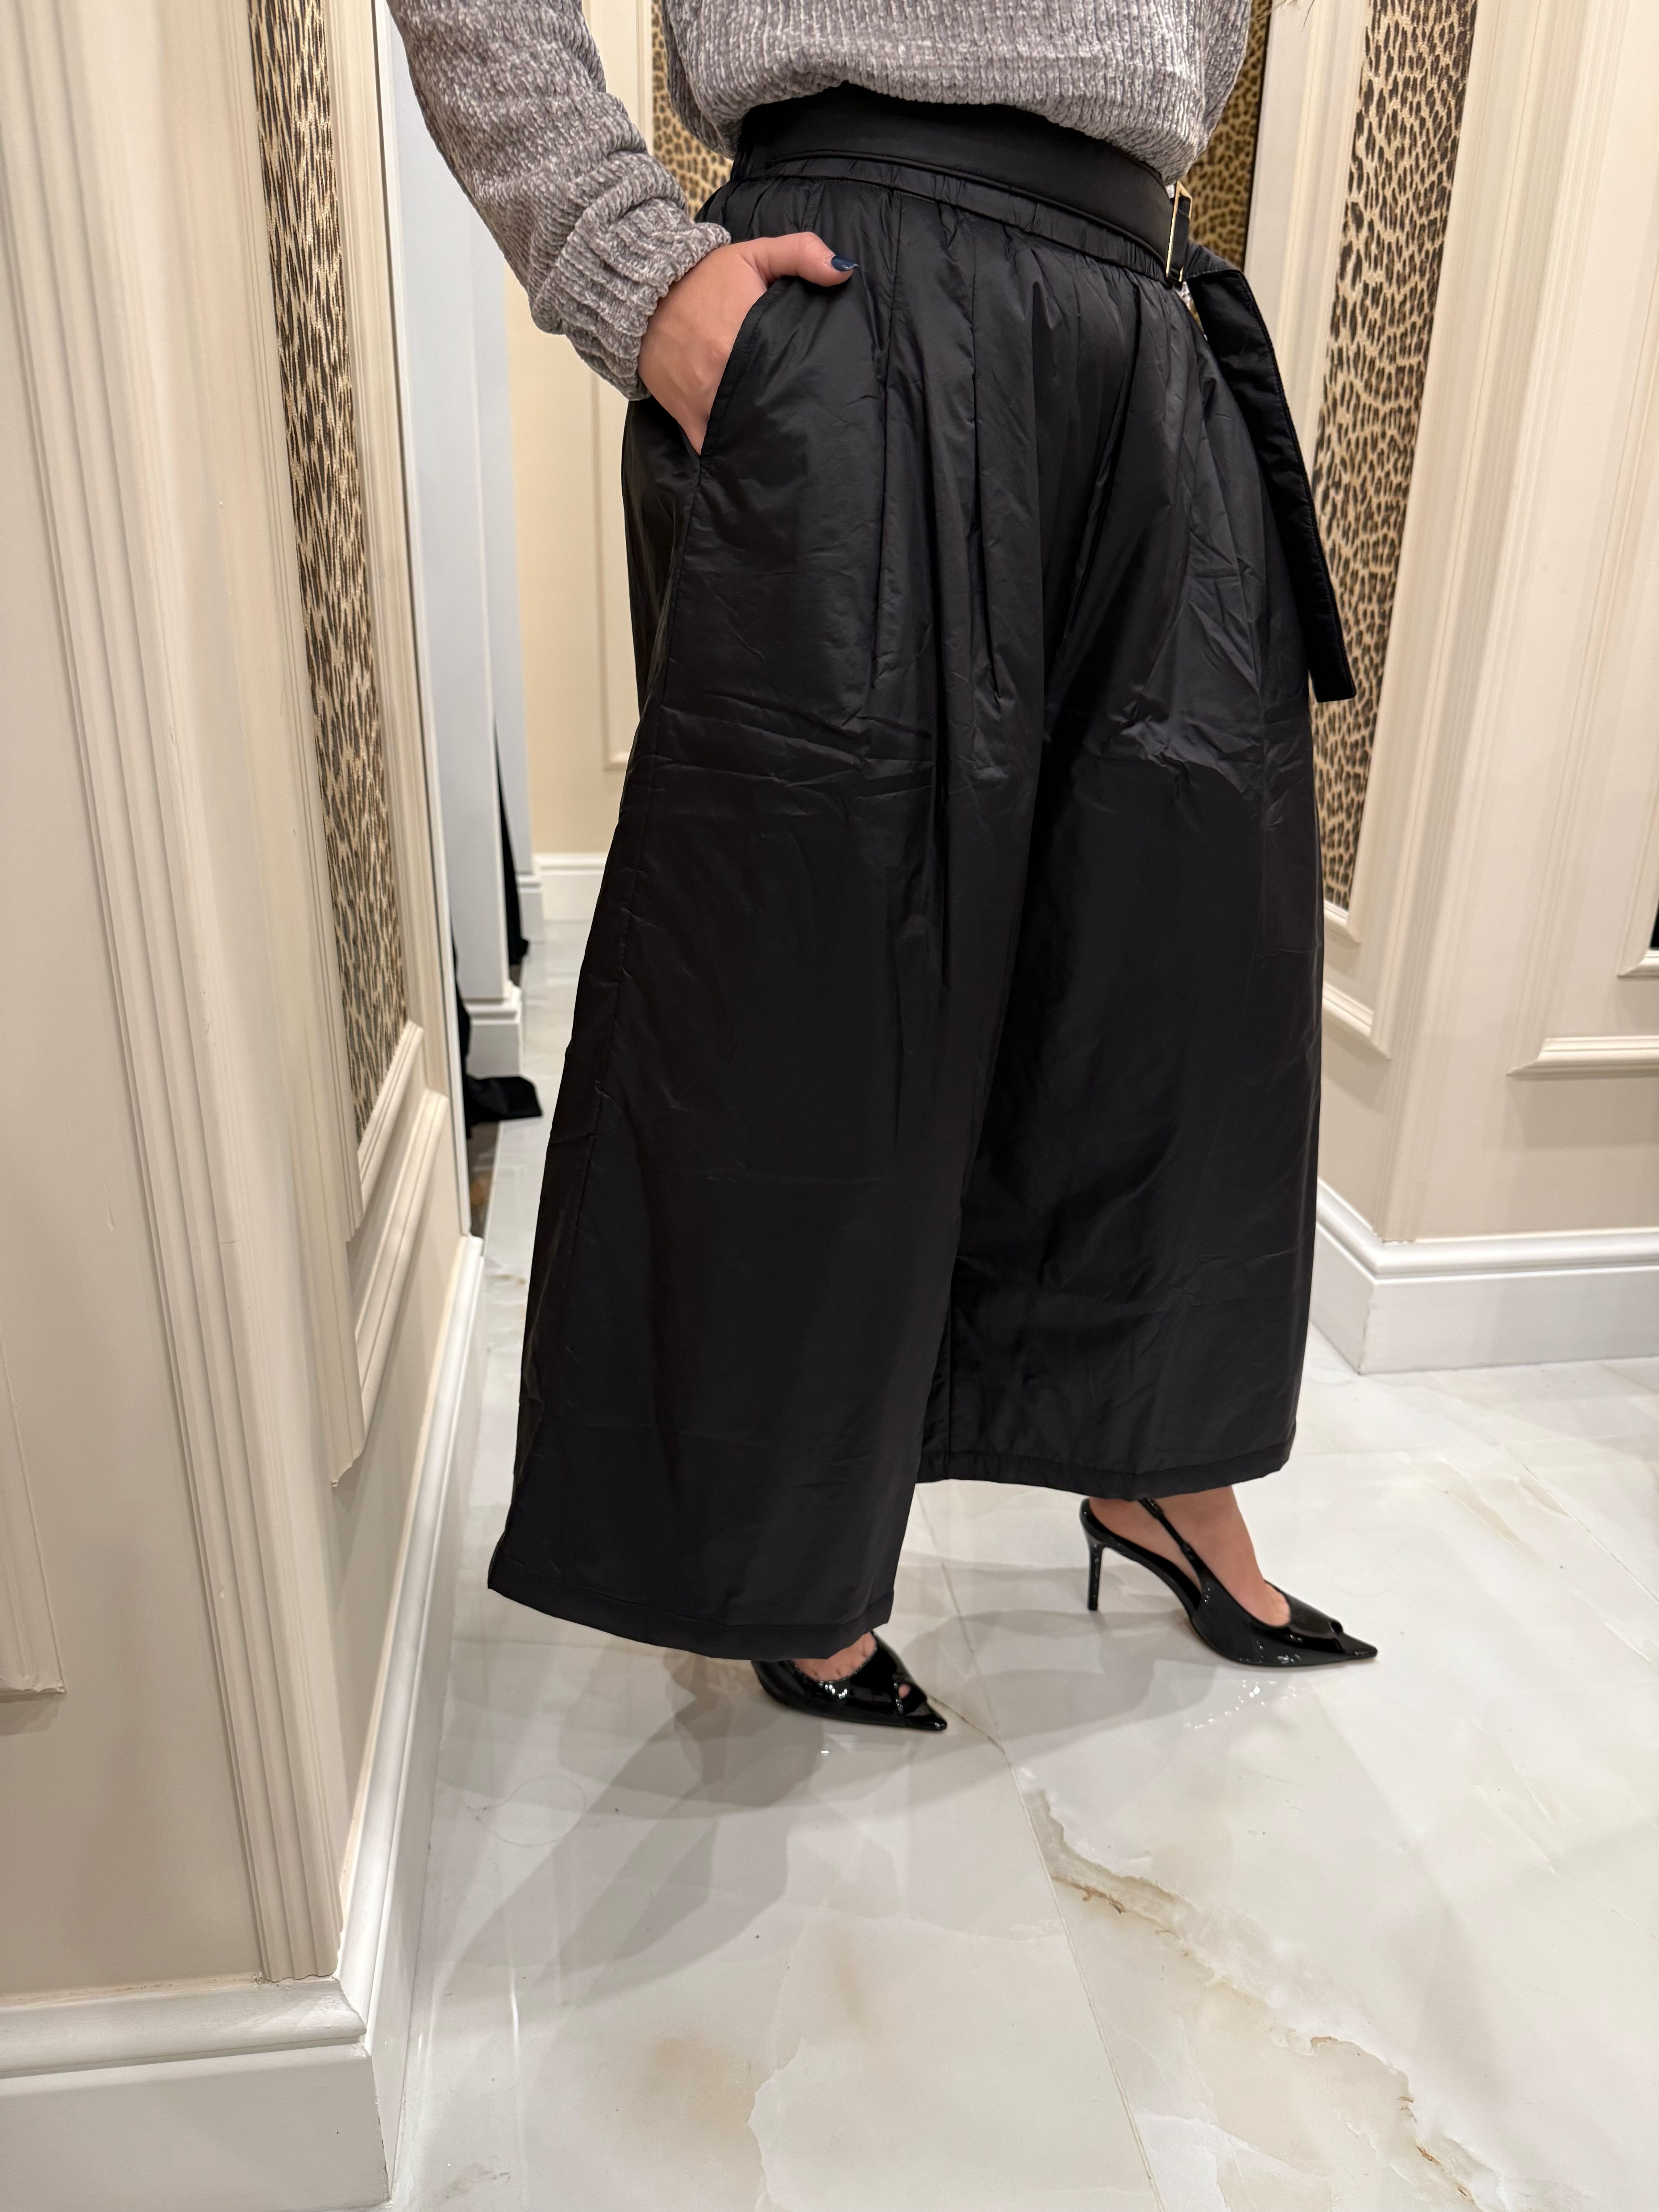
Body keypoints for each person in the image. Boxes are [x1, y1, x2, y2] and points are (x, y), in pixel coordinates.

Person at [390, 0, 1377, 1732]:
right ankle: (779, 1561)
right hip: (860, 302)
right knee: (816, 996)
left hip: (1143, 320)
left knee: (1178, 978)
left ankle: (1156, 1461)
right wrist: (630, 262)